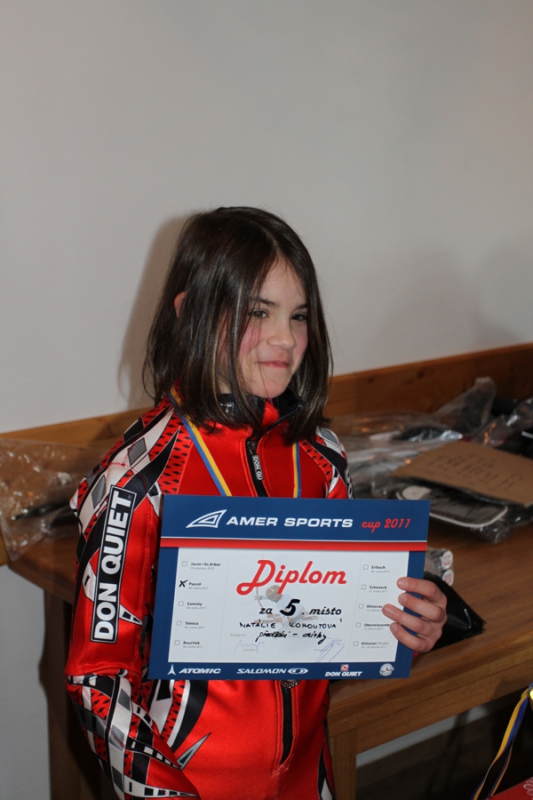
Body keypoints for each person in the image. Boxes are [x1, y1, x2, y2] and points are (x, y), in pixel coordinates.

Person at [65, 207, 446, 800]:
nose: (285, 339)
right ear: (191, 312)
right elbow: (98, 680)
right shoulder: (136, 478)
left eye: (298, 316)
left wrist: (408, 628)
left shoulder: (323, 458)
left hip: (308, 780)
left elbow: (336, 635)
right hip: (188, 785)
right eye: (257, 312)